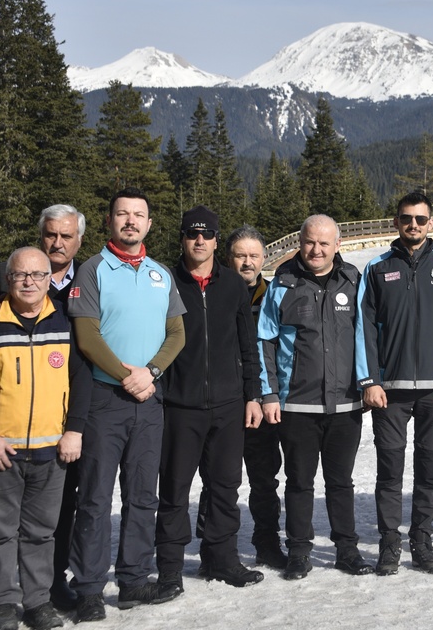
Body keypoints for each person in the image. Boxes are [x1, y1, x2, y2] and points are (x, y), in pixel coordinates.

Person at [66, 188, 186, 621]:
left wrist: (149, 373)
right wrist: (126, 375)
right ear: (109, 221)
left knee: (142, 496)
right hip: (105, 400)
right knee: (95, 498)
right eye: (123, 214)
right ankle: (90, 589)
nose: (131, 221)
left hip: (148, 402)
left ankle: (134, 580)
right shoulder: (93, 271)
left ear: (150, 224)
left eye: (139, 215)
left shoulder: (161, 274)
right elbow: (87, 337)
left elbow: (177, 334)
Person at [0, 248, 90, 630]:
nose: (30, 282)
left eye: (38, 275)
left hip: (51, 449)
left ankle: (37, 602)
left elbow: (80, 379)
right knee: (0, 533)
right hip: (3, 449)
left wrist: (75, 429)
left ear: (47, 279)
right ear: (7, 279)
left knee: (41, 534)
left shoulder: (65, 319)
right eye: (21, 275)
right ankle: (2, 604)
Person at [356, 192, 433, 575]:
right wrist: (370, 380)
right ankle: (390, 543)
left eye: (421, 219)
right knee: (389, 469)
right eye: (407, 218)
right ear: (396, 222)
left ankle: (422, 539)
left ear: (431, 223)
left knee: (428, 468)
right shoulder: (377, 268)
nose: (414, 225)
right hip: (389, 390)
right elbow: (364, 329)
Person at [155, 207, 265, 594]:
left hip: (228, 402)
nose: (199, 241)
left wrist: (252, 395)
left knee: (224, 486)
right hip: (179, 405)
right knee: (174, 488)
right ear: (183, 238)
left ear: (218, 240)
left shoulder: (234, 285)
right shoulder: (163, 282)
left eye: (207, 234)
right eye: (191, 234)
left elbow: (246, 345)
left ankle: (221, 558)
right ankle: (169, 567)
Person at [258, 215, 373, 580]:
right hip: (297, 405)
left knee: (341, 482)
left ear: (337, 245)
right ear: (300, 242)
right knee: (299, 482)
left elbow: (369, 336)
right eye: (310, 242)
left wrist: (370, 381)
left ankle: (347, 550)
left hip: (346, 404)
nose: (316, 250)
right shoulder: (282, 284)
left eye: (324, 243)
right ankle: (299, 551)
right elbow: (266, 342)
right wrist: (270, 393)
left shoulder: (354, 282)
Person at [194, 225, 286, 568]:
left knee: (264, 479)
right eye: (240, 255)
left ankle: (267, 543)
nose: (247, 262)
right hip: (222, 401)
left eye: (254, 255)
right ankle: (213, 549)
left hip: (263, 401)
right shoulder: (209, 294)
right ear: (227, 257)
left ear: (265, 258)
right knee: (216, 480)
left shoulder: (274, 296)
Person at [0, 204, 85, 305]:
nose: (57, 244)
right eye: (51, 235)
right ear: (41, 236)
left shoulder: (90, 279)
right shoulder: (3, 275)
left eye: (66, 237)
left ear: (80, 240)